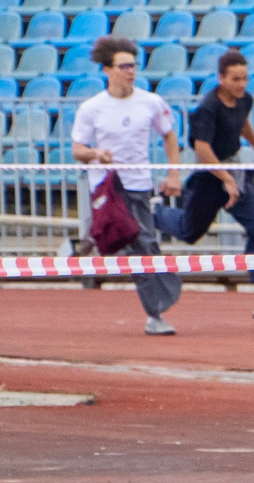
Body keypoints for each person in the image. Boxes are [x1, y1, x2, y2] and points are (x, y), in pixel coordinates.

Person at [153, 49, 254, 321]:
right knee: (189, 232)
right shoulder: (207, 109)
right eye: (235, 79)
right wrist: (225, 179)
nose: (241, 85)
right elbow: (201, 149)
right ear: (221, 78)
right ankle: (155, 212)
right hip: (209, 176)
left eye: (245, 78)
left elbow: (242, 123)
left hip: (236, 171)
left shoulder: (244, 99)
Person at [70, 36, 185, 336]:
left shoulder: (151, 102)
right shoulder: (92, 108)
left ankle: (155, 311)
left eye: (133, 66)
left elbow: (170, 137)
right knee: (134, 242)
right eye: (123, 67)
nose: (130, 72)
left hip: (138, 185)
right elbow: (78, 149)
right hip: (105, 187)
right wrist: (96, 154)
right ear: (107, 70)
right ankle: (88, 241)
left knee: (144, 245)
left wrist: (174, 174)